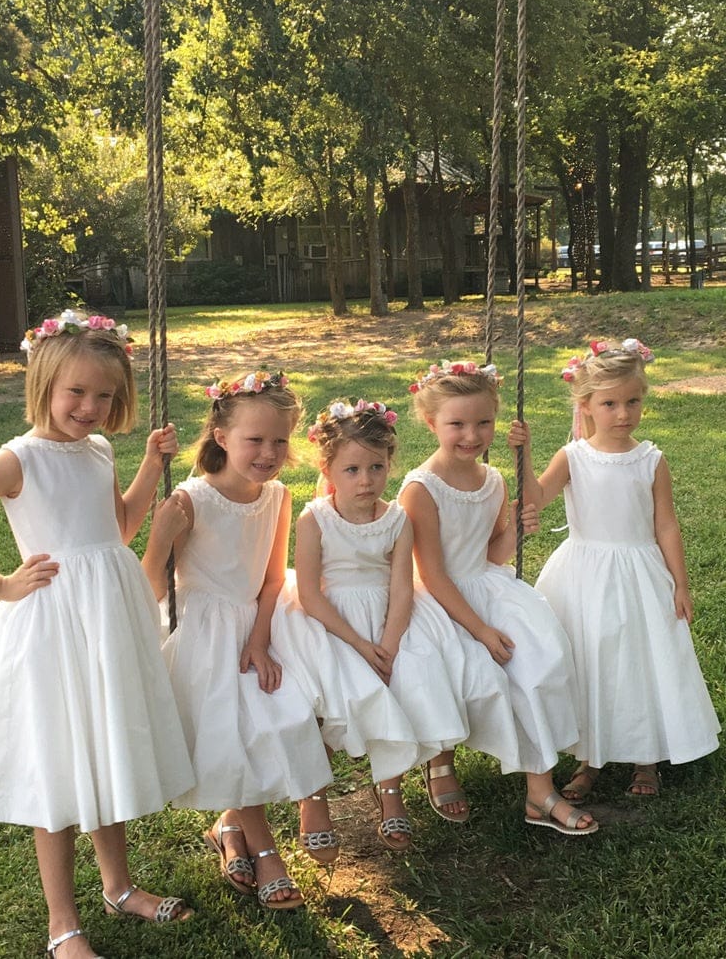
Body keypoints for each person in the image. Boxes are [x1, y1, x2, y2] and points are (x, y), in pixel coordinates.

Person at [0, 310, 196, 959]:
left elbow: (116, 528)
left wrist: (148, 464)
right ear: (42, 381)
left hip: (107, 621)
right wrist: (3, 585)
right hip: (54, 627)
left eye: (105, 396)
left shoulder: (96, 450)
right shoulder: (19, 460)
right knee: (59, 764)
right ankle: (62, 923)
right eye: (77, 392)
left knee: (104, 745)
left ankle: (119, 887)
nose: (91, 407)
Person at [142, 369, 332, 909]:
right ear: (221, 437)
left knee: (290, 712)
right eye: (256, 439)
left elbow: (273, 579)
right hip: (202, 628)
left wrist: (259, 640)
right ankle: (265, 848)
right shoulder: (190, 499)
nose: (269, 452)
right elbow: (153, 584)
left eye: (279, 440)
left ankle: (231, 826)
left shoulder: (277, 496)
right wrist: (158, 540)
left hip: (258, 621)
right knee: (240, 733)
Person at [508, 338, 720, 801]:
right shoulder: (574, 457)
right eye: (609, 403)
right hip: (584, 574)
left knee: (640, 662)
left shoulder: (651, 459)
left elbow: (665, 525)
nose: (623, 413)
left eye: (632, 401)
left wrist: (680, 583)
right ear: (585, 406)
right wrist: (523, 458)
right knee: (591, 662)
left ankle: (646, 759)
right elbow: (537, 499)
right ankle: (590, 760)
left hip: (641, 572)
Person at [399, 359, 598, 837]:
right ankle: (441, 761)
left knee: (539, 660)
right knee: (466, 672)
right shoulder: (419, 489)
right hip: (438, 599)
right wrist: (482, 630)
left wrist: (517, 530)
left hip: (487, 585)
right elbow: (433, 573)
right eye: (457, 424)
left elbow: (491, 552)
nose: (472, 435)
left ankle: (539, 791)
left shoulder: (493, 480)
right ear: (431, 423)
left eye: (483, 423)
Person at [272, 399, 470, 851]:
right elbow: (310, 594)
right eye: (352, 470)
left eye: (376, 468)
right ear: (328, 470)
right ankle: (314, 798)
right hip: (330, 621)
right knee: (326, 694)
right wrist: (362, 646)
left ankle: (391, 790)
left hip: (388, 618)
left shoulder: (398, 520)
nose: (366, 481)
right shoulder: (314, 518)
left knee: (405, 682)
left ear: (388, 465)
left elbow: (402, 588)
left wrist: (390, 644)